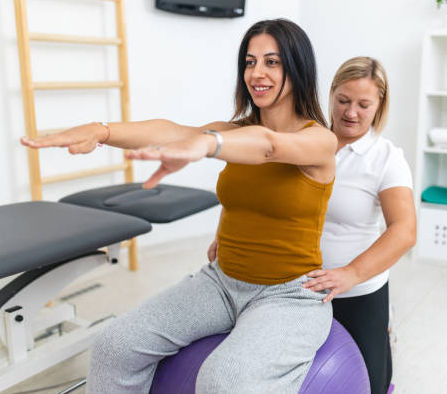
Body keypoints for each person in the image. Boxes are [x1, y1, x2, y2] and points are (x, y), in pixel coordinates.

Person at [21, 19, 337, 393]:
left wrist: (206, 145)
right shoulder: (232, 132)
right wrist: (101, 131)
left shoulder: (319, 140)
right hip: (222, 282)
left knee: (223, 380)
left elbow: (269, 146)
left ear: (298, 67)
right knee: (113, 345)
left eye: (272, 62)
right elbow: (170, 131)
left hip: (290, 295)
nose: (257, 73)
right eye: (250, 62)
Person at [300, 57, 417, 394]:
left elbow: (404, 231)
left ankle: (383, 331)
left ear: (379, 106)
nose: (351, 112)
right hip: (299, 285)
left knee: (370, 383)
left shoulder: (386, 157)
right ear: (331, 95)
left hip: (358, 291)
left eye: (363, 104)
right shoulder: (307, 142)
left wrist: (350, 273)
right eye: (343, 100)